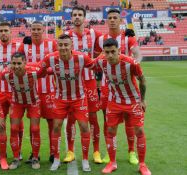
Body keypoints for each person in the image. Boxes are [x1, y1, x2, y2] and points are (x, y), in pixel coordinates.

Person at [95, 38, 151, 175]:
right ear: (103, 52)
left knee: (139, 131)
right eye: (107, 52)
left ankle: (142, 165)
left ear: (119, 51)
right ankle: (112, 162)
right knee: (110, 130)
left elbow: (142, 81)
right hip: (114, 101)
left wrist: (142, 100)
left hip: (133, 101)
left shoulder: (131, 63)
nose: (110, 55)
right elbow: (93, 70)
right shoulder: (101, 62)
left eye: (113, 52)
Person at [40, 34, 94, 172]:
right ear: (57, 46)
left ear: (72, 46)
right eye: (60, 45)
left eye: (66, 45)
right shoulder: (50, 58)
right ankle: (56, 159)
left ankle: (85, 160)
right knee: (56, 126)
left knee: (84, 126)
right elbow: (41, 70)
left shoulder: (82, 58)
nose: (63, 47)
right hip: (60, 98)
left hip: (79, 98)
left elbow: (95, 66)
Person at [97, 8, 142, 164]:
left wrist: (134, 64)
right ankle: (110, 153)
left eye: (116, 17)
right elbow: (98, 59)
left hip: (126, 85)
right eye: (110, 18)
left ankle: (132, 152)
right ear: (106, 20)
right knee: (107, 120)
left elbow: (138, 54)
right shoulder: (101, 38)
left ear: (120, 20)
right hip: (107, 86)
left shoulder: (128, 37)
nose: (113, 20)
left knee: (130, 120)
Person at [0, 52, 46, 170]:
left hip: (33, 102)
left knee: (35, 129)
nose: (16, 66)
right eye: (14, 63)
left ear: (25, 63)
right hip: (17, 102)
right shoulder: (6, 73)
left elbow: (47, 71)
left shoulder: (34, 71)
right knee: (13, 129)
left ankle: (35, 158)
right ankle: (16, 158)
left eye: (19, 63)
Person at [64, 6, 103, 164]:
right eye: (75, 15)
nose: (77, 17)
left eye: (80, 15)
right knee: (71, 118)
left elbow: (105, 49)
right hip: (72, 84)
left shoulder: (94, 34)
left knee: (93, 117)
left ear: (85, 18)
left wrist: (94, 62)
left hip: (90, 82)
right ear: (71, 18)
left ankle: (96, 151)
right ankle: (71, 151)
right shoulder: (66, 36)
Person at [18, 21, 57, 163]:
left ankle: (54, 153)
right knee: (33, 125)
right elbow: (20, 64)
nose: (35, 32)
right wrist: (40, 68)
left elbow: (57, 64)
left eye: (38, 29)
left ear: (43, 30)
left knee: (51, 122)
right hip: (31, 92)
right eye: (33, 29)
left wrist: (44, 69)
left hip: (49, 91)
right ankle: (35, 154)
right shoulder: (25, 45)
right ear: (30, 30)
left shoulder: (52, 45)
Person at [0, 22, 23, 161]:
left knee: (17, 124)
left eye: (6, 30)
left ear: (11, 32)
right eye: (1, 31)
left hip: (16, 91)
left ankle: (19, 150)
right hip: (0, 91)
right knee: (0, 122)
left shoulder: (19, 46)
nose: (3, 33)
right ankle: (1, 151)